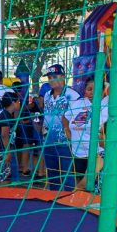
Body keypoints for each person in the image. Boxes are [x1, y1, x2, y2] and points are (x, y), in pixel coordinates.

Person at [41, 63, 80, 191]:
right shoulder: (47, 94)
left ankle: (69, 203)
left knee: (67, 174)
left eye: (55, 76)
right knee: (52, 175)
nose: (52, 80)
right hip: (48, 141)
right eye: (50, 77)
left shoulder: (73, 95)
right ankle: (53, 201)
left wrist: (69, 130)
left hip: (65, 142)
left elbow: (79, 118)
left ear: (63, 76)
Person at [62, 77, 105, 184]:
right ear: (85, 90)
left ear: (103, 90)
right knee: (80, 186)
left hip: (96, 154)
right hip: (77, 153)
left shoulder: (106, 106)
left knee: (88, 186)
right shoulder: (78, 103)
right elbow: (65, 117)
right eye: (89, 89)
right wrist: (67, 130)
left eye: (97, 89)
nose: (92, 92)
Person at [0, 92, 21, 183]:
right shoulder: (5, 116)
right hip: (4, 150)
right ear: (13, 103)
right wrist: (8, 151)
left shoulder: (8, 114)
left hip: (8, 148)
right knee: (5, 175)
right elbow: (4, 135)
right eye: (18, 102)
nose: (19, 104)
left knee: (9, 174)